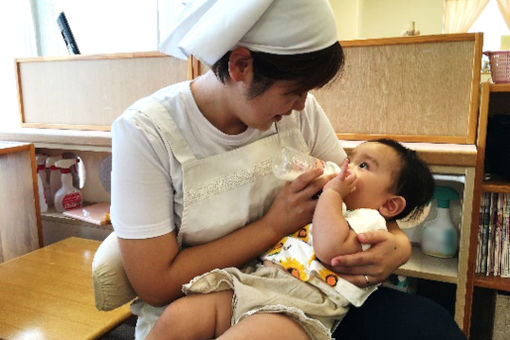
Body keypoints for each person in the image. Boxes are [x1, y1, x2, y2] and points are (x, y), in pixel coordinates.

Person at [110, 1, 467, 339]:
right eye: (294, 91)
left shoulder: (300, 111)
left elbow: (359, 196)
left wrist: (398, 245)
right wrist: (272, 226)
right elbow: (155, 285)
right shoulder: (147, 132)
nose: (301, 105)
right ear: (240, 66)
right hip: (206, 296)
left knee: (433, 325)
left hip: (306, 292)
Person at [145, 139, 435, 340]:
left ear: (390, 206)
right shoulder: (332, 203)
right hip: (252, 283)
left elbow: (329, 248)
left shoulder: (369, 222)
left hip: (299, 309)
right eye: (352, 158)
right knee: (178, 317)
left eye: (364, 167)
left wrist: (333, 195)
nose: (346, 167)